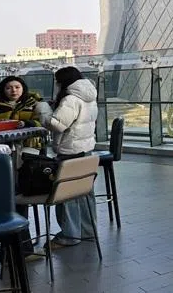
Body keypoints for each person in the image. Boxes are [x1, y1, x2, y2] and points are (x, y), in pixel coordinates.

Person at [47, 66, 98, 247]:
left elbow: (57, 125)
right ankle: (87, 231)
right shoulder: (89, 96)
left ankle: (69, 235)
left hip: (70, 152)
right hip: (86, 149)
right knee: (85, 193)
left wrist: (44, 111)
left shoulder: (71, 99)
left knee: (67, 195)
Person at [0, 76, 51, 146]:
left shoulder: (34, 103)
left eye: (17, 87)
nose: (13, 90)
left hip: (30, 144)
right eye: (8, 88)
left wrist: (26, 123)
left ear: (23, 88)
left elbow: (43, 123)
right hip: (1, 144)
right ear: (2, 90)